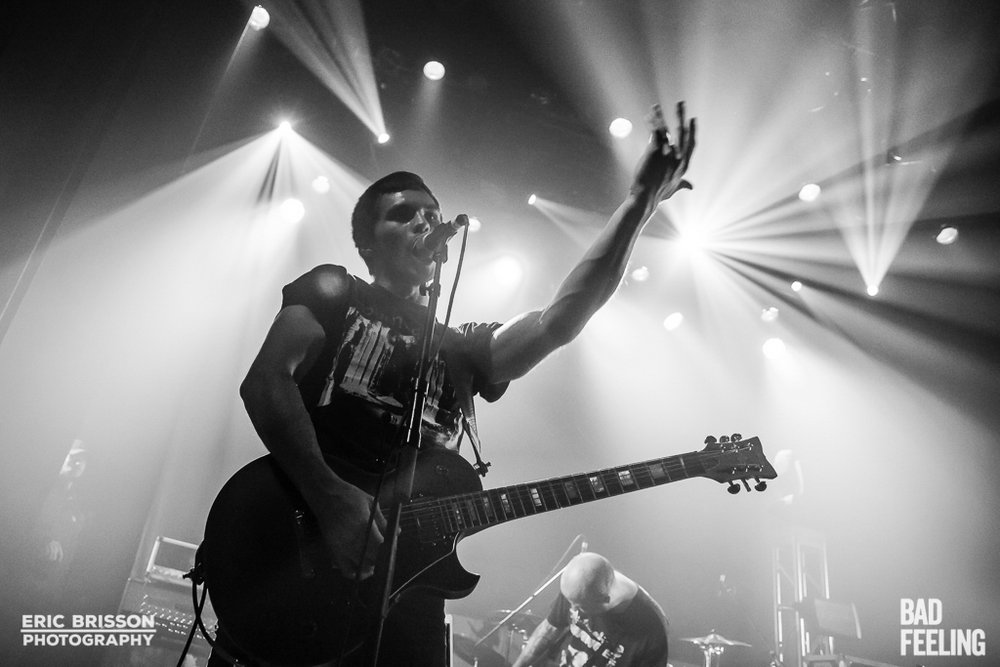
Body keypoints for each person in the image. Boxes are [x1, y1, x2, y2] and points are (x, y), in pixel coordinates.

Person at [212, 102, 694, 666]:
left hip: (406, 593)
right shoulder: (334, 291)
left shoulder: (463, 350)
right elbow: (265, 384)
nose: (424, 221)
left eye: (431, 213)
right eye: (403, 214)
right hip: (294, 545)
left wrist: (638, 204)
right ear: (368, 243)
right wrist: (331, 497)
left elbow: (559, 320)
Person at [512, 553, 669, 667]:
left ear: (605, 600)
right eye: (570, 602)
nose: (572, 609)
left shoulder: (652, 630)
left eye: (580, 606)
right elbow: (549, 629)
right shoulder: (581, 584)